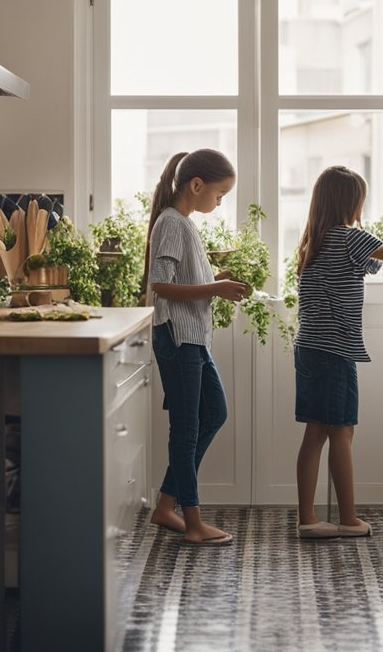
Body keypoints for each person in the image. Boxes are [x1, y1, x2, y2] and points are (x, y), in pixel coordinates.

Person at [292, 166, 383, 539]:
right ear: (352, 202)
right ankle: (348, 519)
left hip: (309, 347)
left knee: (314, 433)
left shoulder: (312, 241)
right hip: (335, 350)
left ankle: (307, 517)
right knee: (343, 432)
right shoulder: (352, 237)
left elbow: (370, 266)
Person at [144, 149, 249, 546]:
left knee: (214, 413)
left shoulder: (183, 223)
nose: (220, 203)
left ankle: (165, 506)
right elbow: (161, 285)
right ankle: (191, 521)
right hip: (177, 337)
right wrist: (215, 288)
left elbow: (182, 276)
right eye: (220, 195)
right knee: (186, 430)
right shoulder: (172, 222)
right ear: (197, 185)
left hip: (192, 338)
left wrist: (216, 278)